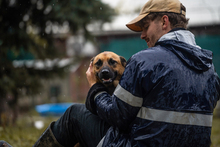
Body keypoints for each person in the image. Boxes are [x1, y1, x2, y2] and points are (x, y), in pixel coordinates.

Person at [2, 0, 219, 146]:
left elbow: (118, 117)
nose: (142, 35)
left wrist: (95, 88)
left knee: (74, 116)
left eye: (145, 26)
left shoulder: (145, 60)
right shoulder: (210, 69)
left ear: (164, 22)